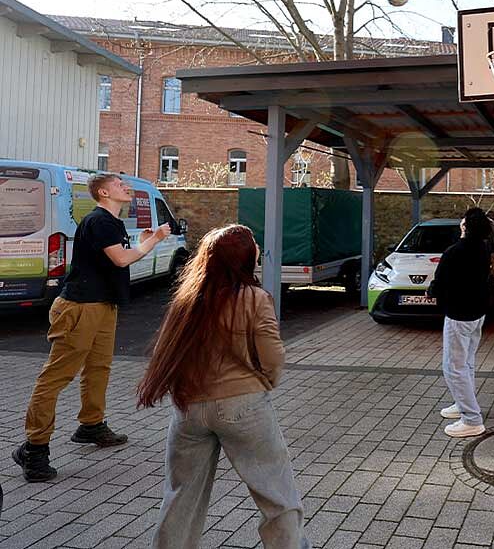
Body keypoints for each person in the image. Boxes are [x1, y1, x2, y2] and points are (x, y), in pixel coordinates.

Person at [138, 225, 308, 549]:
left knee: (180, 498)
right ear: (245, 258)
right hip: (243, 406)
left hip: (189, 408)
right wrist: (267, 382)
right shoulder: (254, 298)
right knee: (277, 494)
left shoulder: (187, 298)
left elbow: (167, 350)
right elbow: (273, 353)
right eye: (254, 245)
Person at [13, 173, 171, 483]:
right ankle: (34, 448)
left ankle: (91, 425)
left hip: (103, 306)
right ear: (103, 192)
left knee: (99, 368)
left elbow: (119, 259)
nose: (126, 187)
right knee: (57, 375)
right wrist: (153, 240)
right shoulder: (100, 221)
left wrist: (143, 243)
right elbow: (122, 259)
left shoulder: (112, 223)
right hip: (80, 308)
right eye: (119, 185)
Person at [430, 207, 494, 438]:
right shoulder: (483, 247)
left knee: (453, 367)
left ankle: (471, 419)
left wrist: (432, 292)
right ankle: (462, 404)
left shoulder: (455, 251)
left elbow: (439, 283)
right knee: (466, 363)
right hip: (477, 314)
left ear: (465, 226)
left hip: (459, 316)